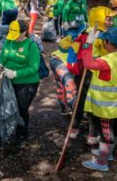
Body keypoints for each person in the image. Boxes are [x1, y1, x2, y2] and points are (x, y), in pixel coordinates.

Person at [81, 27, 117, 171]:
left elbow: (88, 64)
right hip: (114, 105)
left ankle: (102, 163)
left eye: (104, 41)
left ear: (109, 42)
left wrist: (87, 44)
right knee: (114, 131)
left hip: (106, 108)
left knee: (106, 135)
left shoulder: (107, 61)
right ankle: (108, 154)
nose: (103, 44)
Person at [0, 20, 40, 144]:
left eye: (16, 34)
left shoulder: (31, 46)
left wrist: (16, 73)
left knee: (22, 108)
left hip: (27, 83)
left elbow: (34, 68)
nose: (14, 38)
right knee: (10, 105)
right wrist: (1, 64)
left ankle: (22, 133)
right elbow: (3, 55)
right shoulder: (9, 41)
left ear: (24, 32)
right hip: (10, 81)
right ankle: (11, 128)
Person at [50, 35, 76, 115]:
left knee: (61, 85)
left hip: (56, 60)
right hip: (59, 62)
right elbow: (70, 85)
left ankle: (65, 108)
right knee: (69, 83)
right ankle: (73, 109)